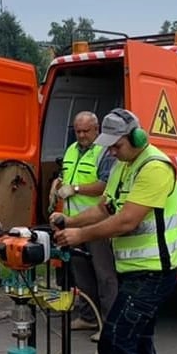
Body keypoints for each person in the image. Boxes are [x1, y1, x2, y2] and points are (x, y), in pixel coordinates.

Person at [52, 108, 177, 354]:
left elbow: (127, 221)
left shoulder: (155, 168)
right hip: (135, 271)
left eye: (116, 145)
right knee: (137, 344)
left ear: (137, 137)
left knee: (114, 342)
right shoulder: (123, 166)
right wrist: (69, 222)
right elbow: (105, 209)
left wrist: (80, 236)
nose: (111, 150)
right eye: (108, 145)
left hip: (153, 273)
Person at [49, 111, 117, 337]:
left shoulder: (104, 151)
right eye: (77, 131)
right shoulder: (71, 150)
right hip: (73, 223)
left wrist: (76, 189)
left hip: (97, 223)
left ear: (96, 129)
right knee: (81, 272)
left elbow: (106, 185)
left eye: (86, 131)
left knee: (104, 275)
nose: (81, 135)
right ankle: (88, 317)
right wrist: (57, 183)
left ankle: (108, 325)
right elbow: (66, 174)